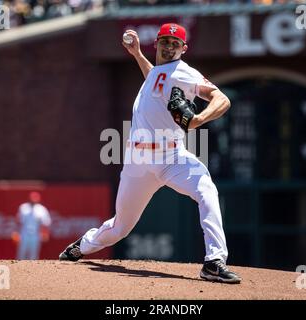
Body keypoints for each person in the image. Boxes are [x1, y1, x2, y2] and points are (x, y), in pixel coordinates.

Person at [59, 23, 241, 284]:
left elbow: (221, 98)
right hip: (139, 161)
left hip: (173, 157)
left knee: (207, 191)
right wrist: (136, 54)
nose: (170, 46)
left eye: (175, 43)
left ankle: (214, 262)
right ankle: (82, 246)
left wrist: (198, 119)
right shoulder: (158, 73)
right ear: (156, 43)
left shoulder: (185, 73)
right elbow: (154, 79)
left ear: (183, 48)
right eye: (165, 41)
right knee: (121, 227)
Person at [12, 191, 52, 260]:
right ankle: (18, 270)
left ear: (38, 199)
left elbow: (46, 223)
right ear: (29, 198)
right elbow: (18, 221)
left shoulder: (41, 209)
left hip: (35, 235)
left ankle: (32, 270)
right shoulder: (23, 207)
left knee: (33, 256)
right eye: (32, 198)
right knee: (21, 254)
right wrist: (16, 232)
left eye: (35, 198)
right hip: (24, 234)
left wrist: (45, 233)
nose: (33, 200)